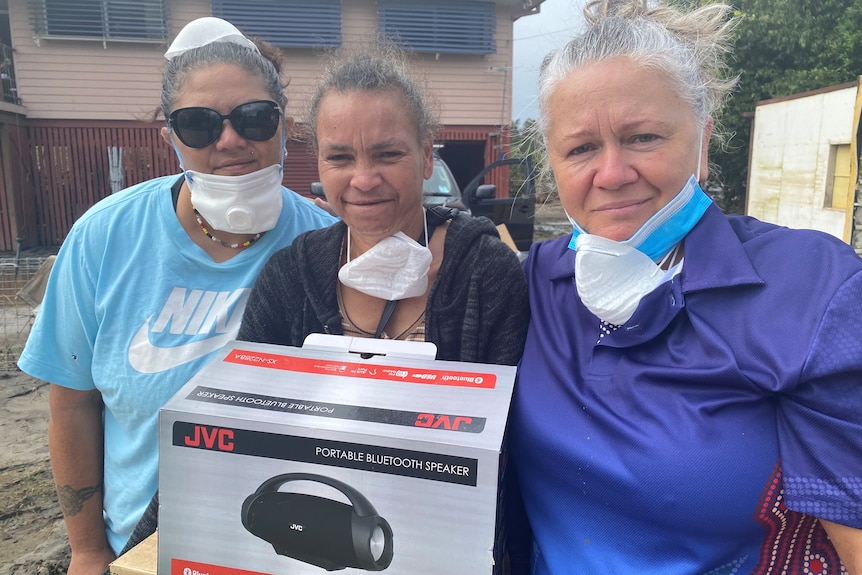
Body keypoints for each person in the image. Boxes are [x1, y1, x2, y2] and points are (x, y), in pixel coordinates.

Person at [508, 1, 862, 574]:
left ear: (703, 140)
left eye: (643, 137)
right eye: (581, 148)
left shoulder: (811, 294)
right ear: (551, 164)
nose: (613, 172)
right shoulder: (532, 287)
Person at [17, 17, 335, 575]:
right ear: (170, 135)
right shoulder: (104, 237)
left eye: (254, 118)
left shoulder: (324, 248)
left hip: (278, 548)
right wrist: (89, 551)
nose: (231, 140)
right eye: (198, 124)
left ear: (284, 125)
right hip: (141, 552)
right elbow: (71, 405)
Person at [237, 49, 529, 367]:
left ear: (427, 158)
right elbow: (248, 397)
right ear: (319, 162)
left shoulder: (486, 273)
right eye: (340, 157)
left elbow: (509, 405)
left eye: (388, 154)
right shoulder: (289, 275)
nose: (364, 180)